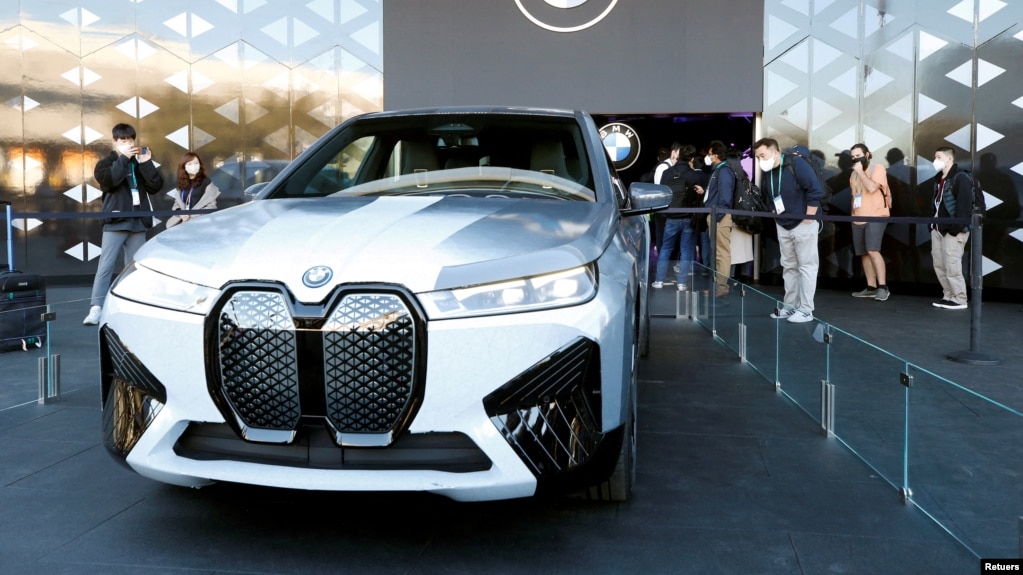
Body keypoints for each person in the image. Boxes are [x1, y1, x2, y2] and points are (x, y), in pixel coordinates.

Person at [83, 123, 164, 325]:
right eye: (123, 140)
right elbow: (110, 181)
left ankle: (132, 304)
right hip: (116, 221)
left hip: (138, 221)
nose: (127, 143)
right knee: (106, 265)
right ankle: (96, 308)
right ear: (115, 141)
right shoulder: (105, 163)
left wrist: (146, 163)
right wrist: (124, 158)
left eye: (130, 140)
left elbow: (156, 186)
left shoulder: (140, 161)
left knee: (134, 266)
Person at [754, 138, 825, 323]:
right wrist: (774, 213)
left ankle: (806, 309)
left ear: (775, 151)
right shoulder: (769, 172)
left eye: (763, 155)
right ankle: (790, 306)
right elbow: (768, 195)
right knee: (789, 267)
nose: (760, 159)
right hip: (783, 224)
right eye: (758, 157)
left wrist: (808, 218)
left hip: (803, 223)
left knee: (807, 266)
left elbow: (815, 190)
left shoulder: (796, 164)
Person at [929, 146, 973, 310]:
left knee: (952, 264)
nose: (935, 160)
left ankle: (960, 299)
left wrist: (956, 228)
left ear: (949, 158)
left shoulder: (960, 177)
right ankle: (948, 295)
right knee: (939, 264)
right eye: (935, 157)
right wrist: (932, 226)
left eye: (939, 157)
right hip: (938, 228)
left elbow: (964, 204)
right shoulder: (939, 179)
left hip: (953, 230)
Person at [652, 144, 700, 290]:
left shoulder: (667, 172)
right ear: (691, 158)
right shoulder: (693, 175)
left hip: (671, 216)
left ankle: (659, 280)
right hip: (688, 216)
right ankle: (682, 283)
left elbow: (662, 191)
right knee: (686, 250)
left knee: (666, 248)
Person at [848, 143, 891, 301]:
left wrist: (860, 171)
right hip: (858, 217)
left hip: (876, 216)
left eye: (858, 155)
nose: (855, 158)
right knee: (863, 253)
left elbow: (872, 188)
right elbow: (855, 196)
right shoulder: (853, 175)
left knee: (873, 250)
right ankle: (871, 286)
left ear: (867, 155)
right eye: (853, 156)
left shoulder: (877, 168)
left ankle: (882, 287)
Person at [700, 140, 735, 298]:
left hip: (719, 217)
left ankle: (722, 286)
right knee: (717, 252)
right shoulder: (718, 170)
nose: (708, 157)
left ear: (716, 155)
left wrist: (718, 217)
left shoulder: (724, 171)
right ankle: (717, 285)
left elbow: (725, 198)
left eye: (709, 154)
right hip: (715, 216)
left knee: (721, 253)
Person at [166, 152, 220, 229]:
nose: (193, 166)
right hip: (183, 223)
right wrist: (181, 213)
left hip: (200, 224)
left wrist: (191, 215)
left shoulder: (206, 182)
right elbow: (177, 204)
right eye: (189, 164)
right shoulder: (183, 183)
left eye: (196, 163)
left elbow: (212, 206)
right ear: (184, 166)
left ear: (200, 165)